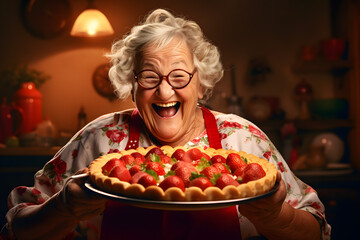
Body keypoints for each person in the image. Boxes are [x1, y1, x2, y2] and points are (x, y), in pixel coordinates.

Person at [2, 8, 330, 240]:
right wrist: (64, 208)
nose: (164, 90)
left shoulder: (244, 142)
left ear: (201, 84)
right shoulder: (98, 140)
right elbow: (17, 231)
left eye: (179, 76)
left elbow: (316, 231)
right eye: (149, 76)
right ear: (131, 85)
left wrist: (276, 217)